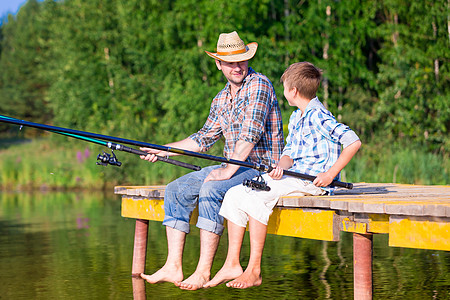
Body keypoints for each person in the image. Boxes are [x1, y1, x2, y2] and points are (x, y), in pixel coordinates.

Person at [139, 31, 284, 290]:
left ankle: (204, 271)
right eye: (230, 62)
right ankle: (173, 266)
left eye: (241, 60)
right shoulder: (220, 99)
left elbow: (249, 136)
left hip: (261, 169)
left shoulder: (259, 85)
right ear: (219, 64)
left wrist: (226, 171)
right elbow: (202, 139)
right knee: (176, 189)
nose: (237, 67)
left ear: (248, 60)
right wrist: (163, 150)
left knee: (212, 187)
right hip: (233, 165)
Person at [204, 62, 362, 289]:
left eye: (285, 87)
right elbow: (289, 153)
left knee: (257, 198)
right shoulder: (297, 117)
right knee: (235, 194)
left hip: (311, 181)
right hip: (290, 177)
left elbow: (353, 141)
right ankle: (231, 263)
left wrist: (329, 174)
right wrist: (280, 166)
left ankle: (254, 270)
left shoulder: (318, 115)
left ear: (293, 92)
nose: (284, 91)